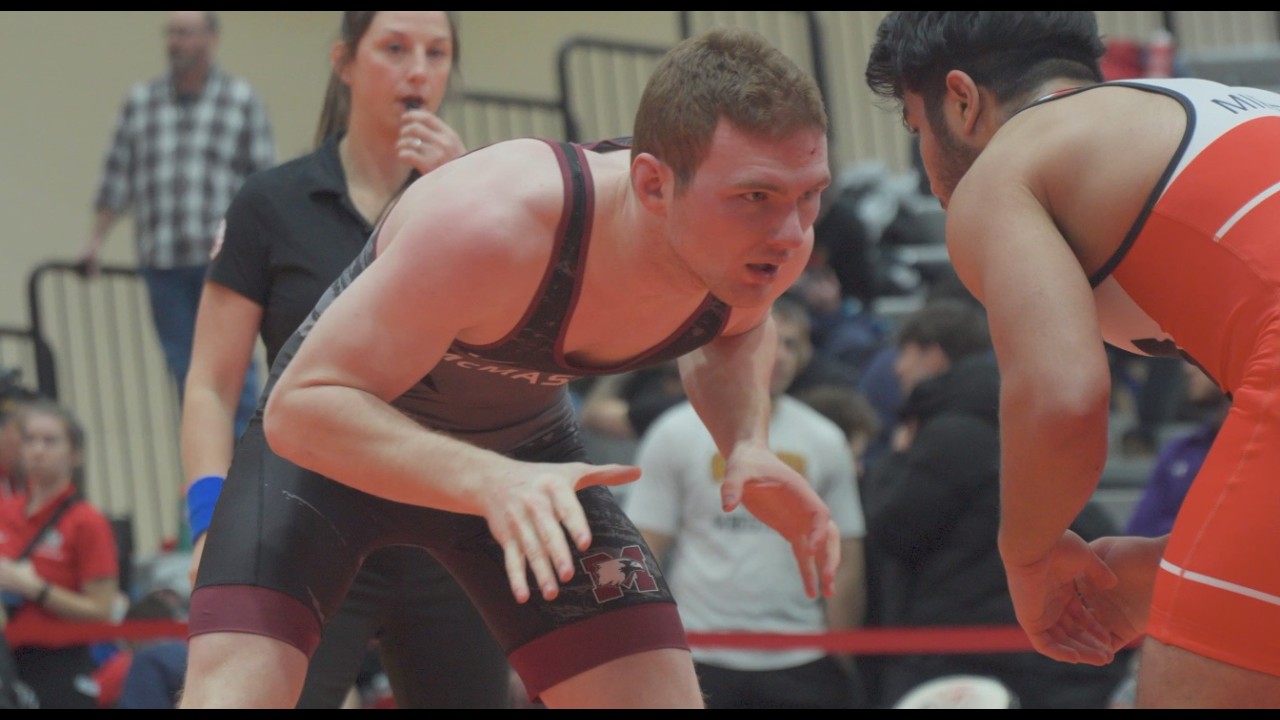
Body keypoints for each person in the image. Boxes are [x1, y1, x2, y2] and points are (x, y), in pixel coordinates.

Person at [179, 27, 838, 709]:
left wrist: (745, 442)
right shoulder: (495, 222)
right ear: (652, 185)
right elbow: (298, 407)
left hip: (523, 465)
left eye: (809, 196)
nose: (792, 237)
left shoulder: (748, 247)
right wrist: (489, 479)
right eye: (757, 197)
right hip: (329, 460)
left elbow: (735, 330)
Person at [865, 11, 1280, 708]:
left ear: (961, 101)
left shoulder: (1008, 167)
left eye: (914, 125)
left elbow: (1062, 398)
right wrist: (1172, 566)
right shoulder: (1214, 107)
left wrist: (1029, 556)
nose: (926, 164)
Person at [180, 11, 511, 709]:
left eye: (436, 51)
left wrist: (464, 198)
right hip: (304, 519)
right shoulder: (270, 203)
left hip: (445, 521)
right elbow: (211, 383)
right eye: (394, 49)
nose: (418, 70)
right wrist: (209, 519)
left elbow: (513, 365)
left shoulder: (489, 195)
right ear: (345, 62)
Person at [859, 298, 1127, 708]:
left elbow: (893, 527)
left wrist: (893, 460)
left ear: (932, 355)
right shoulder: (1015, 419)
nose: (897, 369)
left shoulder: (951, 432)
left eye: (905, 355)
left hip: (960, 642)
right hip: (1024, 637)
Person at [624, 301, 869, 709]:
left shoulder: (825, 439)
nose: (781, 355)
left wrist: (839, 651)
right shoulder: (674, 432)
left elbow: (848, 555)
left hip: (801, 654)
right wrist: (647, 648)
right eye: (769, 342)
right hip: (701, 650)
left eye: (792, 344)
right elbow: (644, 548)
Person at [79, 11, 275, 436]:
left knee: (234, 371)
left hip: (223, 264)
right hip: (162, 263)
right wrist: (95, 241)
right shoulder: (141, 101)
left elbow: (262, 183)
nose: (175, 41)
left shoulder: (241, 100)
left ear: (211, 38)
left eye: (185, 32)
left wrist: (267, 253)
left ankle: (239, 481)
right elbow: (117, 176)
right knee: (186, 374)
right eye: (171, 33)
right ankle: (202, 484)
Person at [0, 399, 119, 709]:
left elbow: (100, 610)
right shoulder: (5, 511)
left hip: (59, 664)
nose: (38, 450)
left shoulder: (87, 521)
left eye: (50, 441)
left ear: (74, 454)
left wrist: (34, 588)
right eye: (30, 440)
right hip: (7, 661)